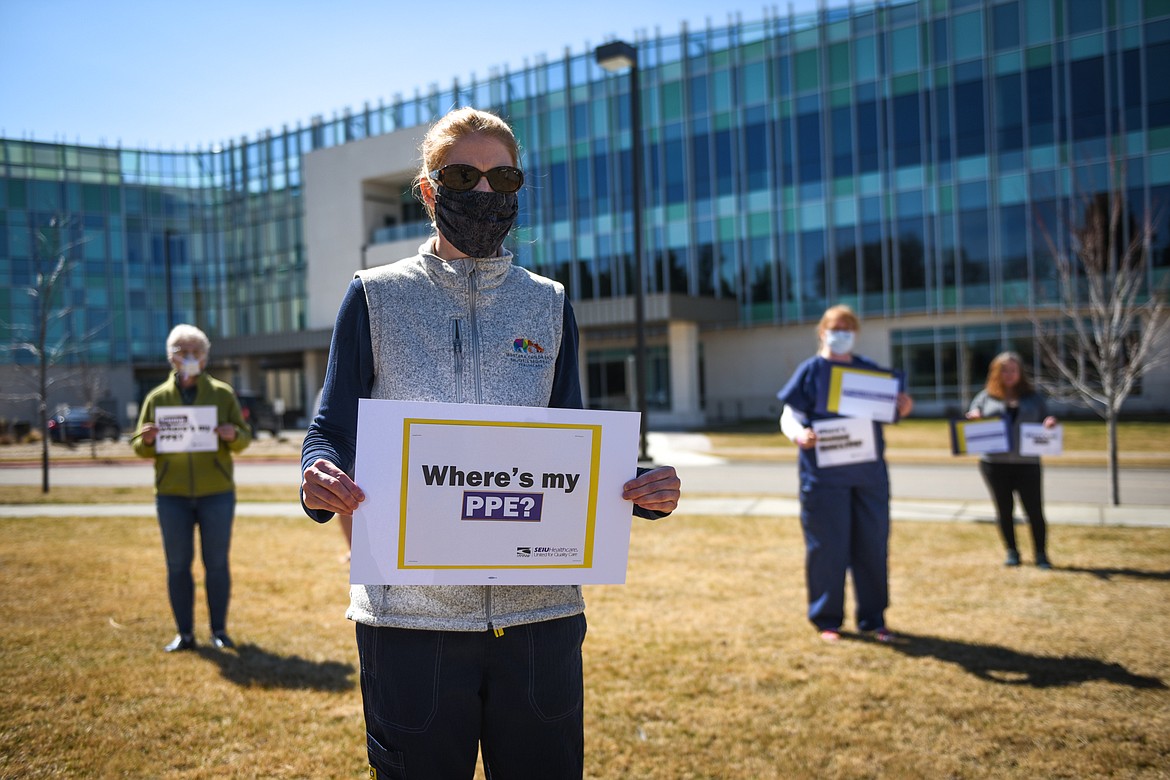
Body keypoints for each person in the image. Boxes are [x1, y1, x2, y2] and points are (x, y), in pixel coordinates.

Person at [300, 107, 681, 779]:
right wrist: (319, 472)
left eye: (501, 176)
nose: (483, 192)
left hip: (539, 617)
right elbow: (331, 428)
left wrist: (638, 485)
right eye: (462, 175)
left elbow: (570, 440)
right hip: (410, 622)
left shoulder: (549, 303)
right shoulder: (374, 297)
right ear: (427, 189)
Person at [776, 304, 913, 644]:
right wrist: (798, 434)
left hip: (868, 475)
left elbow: (892, 407)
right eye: (837, 327)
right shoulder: (810, 371)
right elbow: (789, 414)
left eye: (849, 328)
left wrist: (903, 407)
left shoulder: (869, 372)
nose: (843, 333)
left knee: (872, 546)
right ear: (823, 331)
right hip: (823, 478)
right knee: (827, 548)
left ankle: (873, 619)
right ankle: (827, 620)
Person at [132, 324, 252, 652]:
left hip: (217, 494)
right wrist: (147, 439)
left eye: (196, 352)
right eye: (183, 352)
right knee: (177, 564)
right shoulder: (157, 398)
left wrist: (233, 435)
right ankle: (184, 633)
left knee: (216, 563)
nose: (189, 358)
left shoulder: (222, 393)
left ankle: (219, 631)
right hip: (172, 496)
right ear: (171, 357)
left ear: (205, 356)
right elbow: (138, 447)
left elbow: (245, 438)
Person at [966, 351, 1058, 569]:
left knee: (1034, 511)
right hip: (994, 465)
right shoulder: (985, 397)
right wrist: (973, 419)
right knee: (1004, 510)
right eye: (1004, 370)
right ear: (996, 373)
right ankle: (1012, 552)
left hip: (1027, 465)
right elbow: (971, 417)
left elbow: (1046, 419)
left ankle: (1041, 554)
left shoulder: (1033, 398)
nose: (1009, 374)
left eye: (1013, 370)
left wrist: (1049, 424)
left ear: (1020, 373)